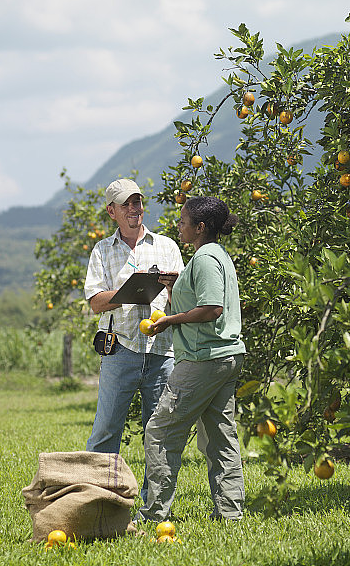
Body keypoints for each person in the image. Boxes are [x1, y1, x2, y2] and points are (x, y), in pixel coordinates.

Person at [136, 196, 246, 523]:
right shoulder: (215, 255)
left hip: (203, 359)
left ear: (200, 227)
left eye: (183, 221)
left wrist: (169, 321)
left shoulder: (206, 258)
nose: (178, 225)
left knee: (160, 431)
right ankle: (229, 514)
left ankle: (154, 514)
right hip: (223, 357)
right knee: (220, 437)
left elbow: (212, 309)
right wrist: (174, 288)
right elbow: (198, 302)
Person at [83, 179, 184, 501]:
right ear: (111, 211)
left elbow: (184, 301)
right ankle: (97, 500)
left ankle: (155, 506)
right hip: (120, 349)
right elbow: (95, 302)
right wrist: (130, 292)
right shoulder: (102, 250)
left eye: (137, 202)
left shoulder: (167, 246)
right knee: (106, 430)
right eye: (125, 204)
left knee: (161, 434)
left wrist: (173, 287)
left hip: (162, 351)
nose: (133, 209)